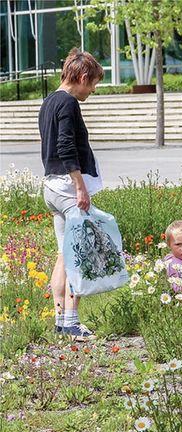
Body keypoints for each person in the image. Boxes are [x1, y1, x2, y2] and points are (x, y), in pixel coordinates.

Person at [39, 48, 104, 341]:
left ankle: (60, 320)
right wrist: (80, 186)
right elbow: (66, 147)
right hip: (67, 189)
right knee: (78, 254)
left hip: (51, 187)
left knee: (63, 256)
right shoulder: (68, 103)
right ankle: (72, 322)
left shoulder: (49, 101)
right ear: (81, 77)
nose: (92, 91)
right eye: (92, 84)